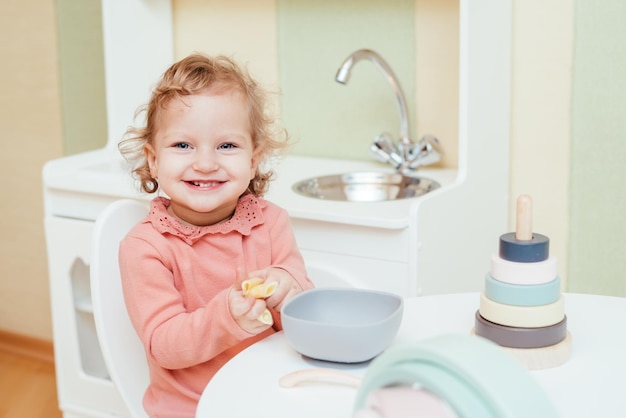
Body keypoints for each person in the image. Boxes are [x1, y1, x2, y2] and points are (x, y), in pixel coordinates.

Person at [117, 53, 314, 418]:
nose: (205, 163)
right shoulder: (146, 247)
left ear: (253, 160)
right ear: (153, 159)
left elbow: (305, 313)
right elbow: (164, 345)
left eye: (226, 146)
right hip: (193, 407)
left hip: (268, 393)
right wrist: (228, 317)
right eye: (182, 145)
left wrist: (289, 288)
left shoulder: (270, 223)